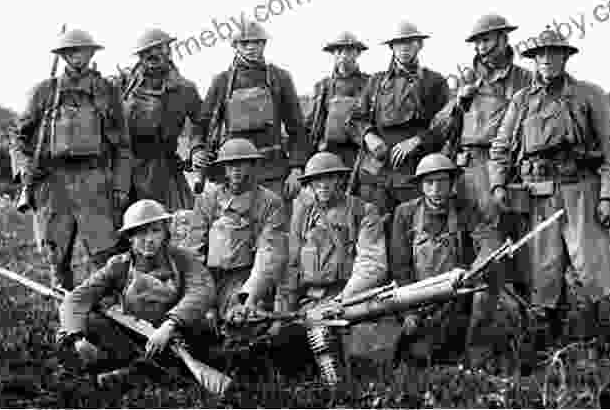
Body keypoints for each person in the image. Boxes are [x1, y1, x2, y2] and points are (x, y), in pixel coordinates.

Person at [489, 26, 610, 344]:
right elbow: (501, 147)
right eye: (540, 54)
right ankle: (548, 348)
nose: (546, 59)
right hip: (538, 194)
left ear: (565, 57)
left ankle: (604, 346)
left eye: (553, 53)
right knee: (543, 273)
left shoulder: (589, 95)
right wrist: (498, 186)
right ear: (534, 59)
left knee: (592, 269)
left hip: (581, 191)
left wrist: (609, 196)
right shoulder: (521, 101)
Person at [428, 14, 533, 330]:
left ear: (504, 39)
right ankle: (456, 328)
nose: (483, 48)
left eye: (488, 40)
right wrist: (457, 104)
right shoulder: (464, 80)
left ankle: (520, 329)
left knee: (517, 249)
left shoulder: (524, 80)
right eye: (478, 42)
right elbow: (438, 129)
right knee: (465, 247)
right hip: (467, 169)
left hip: (507, 169)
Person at [10, 29, 132, 290]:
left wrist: (121, 186)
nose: (78, 56)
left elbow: (122, 144)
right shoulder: (44, 91)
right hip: (54, 185)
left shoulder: (107, 91)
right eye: (71, 51)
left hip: (95, 182)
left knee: (105, 258)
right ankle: (67, 322)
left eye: (83, 50)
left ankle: (106, 321)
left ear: (91, 53)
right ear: (63, 55)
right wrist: (24, 170)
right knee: (57, 259)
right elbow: (18, 136)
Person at [56, 199, 216, 387]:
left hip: (177, 334)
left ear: (166, 233)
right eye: (141, 232)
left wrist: (170, 325)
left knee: (204, 331)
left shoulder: (182, 258)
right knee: (74, 330)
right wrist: (77, 339)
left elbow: (202, 290)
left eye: (156, 231)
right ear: (130, 237)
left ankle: (135, 373)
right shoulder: (119, 265)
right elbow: (77, 299)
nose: (149, 239)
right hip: (135, 334)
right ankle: (142, 368)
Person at [390, 153, 508, 367]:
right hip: (419, 299)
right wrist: (408, 312)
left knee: (487, 288)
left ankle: (477, 357)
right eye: (429, 183)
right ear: (420, 186)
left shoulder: (465, 210)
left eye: (442, 182)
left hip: (457, 297)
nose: (436, 190)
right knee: (416, 353)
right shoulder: (405, 213)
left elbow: (489, 240)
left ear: (452, 183)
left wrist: (473, 270)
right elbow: (400, 266)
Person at [279, 152, 388, 383]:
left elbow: (372, 264)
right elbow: (292, 264)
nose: (322, 185)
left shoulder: (363, 211)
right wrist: (285, 309)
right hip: (310, 300)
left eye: (329, 178)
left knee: (330, 335)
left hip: (352, 297)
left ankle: (338, 390)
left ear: (340, 179)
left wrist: (343, 299)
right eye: (316, 180)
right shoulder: (303, 213)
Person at [190, 21, 310, 207]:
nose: (251, 47)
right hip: (232, 173)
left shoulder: (280, 78)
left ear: (264, 45)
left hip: (273, 171)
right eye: (245, 43)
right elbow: (202, 124)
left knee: (275, 229)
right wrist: (197, 149)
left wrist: (296, 168)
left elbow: (297, 128)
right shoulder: (222, 81)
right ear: (235, 46)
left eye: (257, 42)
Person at [346, 21, 449, 216]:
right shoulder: (376, 82)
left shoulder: (434, 81)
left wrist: (417, 140)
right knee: (373, 229)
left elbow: (445, 125)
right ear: (392, 47)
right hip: (376, 174)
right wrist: (369, 136)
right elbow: (355, 119)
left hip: (413, 173)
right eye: (399, 44)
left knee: (411, 227)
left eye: (410, 43)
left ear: (420, 45)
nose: (404, 48)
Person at [189, 138, 289, 325]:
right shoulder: (208, 199)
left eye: (242, 164)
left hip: (246, 277)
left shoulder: (269, 203)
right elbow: (194, 251)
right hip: (210, 278)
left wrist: (248, 296)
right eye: (230, 164)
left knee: (243, 323)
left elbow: (269, 254)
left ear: (252, 166)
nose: (236, 169)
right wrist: (201, 295)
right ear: (224, 168)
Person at [113, 28, 204, 211]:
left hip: (165, 169)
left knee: (176, 224)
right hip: (128, 171)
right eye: (147, 52)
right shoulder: (122, 85)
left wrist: (196, 149)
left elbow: (201, 122)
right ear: (140, 56)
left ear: (169, 51)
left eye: (159, 49)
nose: (153, 56)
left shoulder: (185, 89)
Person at [306, 32, 371, 169]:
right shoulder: (323, 86)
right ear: (333, 55)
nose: (343, 55)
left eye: (348, 51)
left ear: (358, 53)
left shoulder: (370, 83)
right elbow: (313, 124)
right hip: (329, 153)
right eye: (339, 51)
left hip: (360, 153)